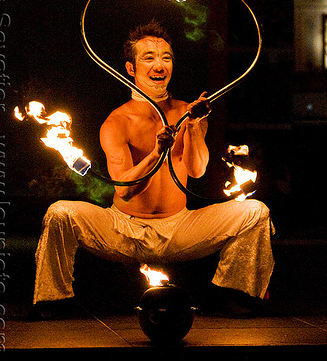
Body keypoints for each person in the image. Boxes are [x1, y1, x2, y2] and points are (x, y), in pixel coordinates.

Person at [29, 20, 274, 320]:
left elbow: (197, 171)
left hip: (181, 228)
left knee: (255, 211)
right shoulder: (117, 122)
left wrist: (194, 126)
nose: (159, 65)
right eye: (149, 58)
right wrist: (157, 154)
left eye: (166, 57)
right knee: (60, 213)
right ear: (131, 69)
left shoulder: (190, 111)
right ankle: (52, 301)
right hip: (124, 229)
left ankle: (232, 295)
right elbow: (124, 190)